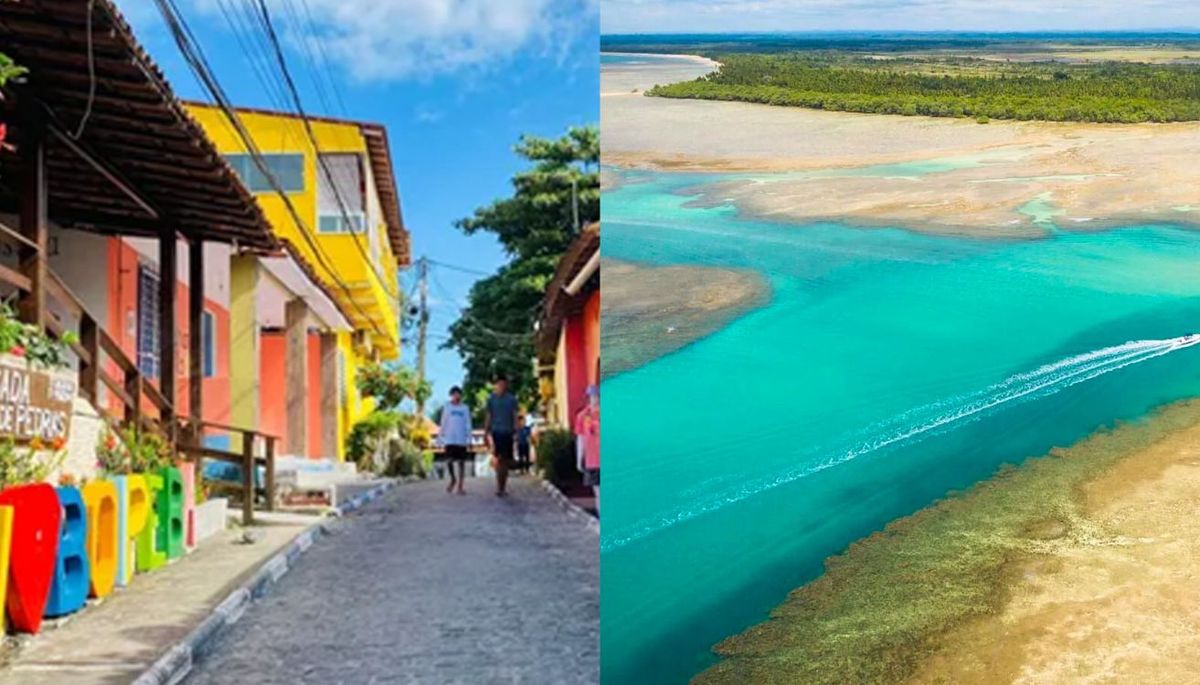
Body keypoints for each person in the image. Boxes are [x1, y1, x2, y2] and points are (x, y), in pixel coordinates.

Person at [484, 374, 519, 497]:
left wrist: (516, 431)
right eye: (499, 384)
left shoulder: (511, 399)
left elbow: (515, 416)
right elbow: (488, 416)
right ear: (495, 386)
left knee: (505, 461)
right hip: (496, 432)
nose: (501, 386)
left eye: (504, 384)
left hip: (508, 432)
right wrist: (485, 431)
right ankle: (500, 487)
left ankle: (502, 486)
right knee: (499, 459)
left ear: (506, 385)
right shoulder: (491, 399)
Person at [439, 386, 472, 495]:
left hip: (461, 439)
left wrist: (469, 439)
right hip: (449, 439)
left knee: (461, 463)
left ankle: (460, 486)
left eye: (458, 394)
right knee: (449, 461)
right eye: (454, 394)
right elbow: (443, 422)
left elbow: (468, 424)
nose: (456, 396)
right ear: (451, 395)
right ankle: (453, 479)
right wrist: (440, 438)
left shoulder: (465, 408)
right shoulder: (447, 407)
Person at [575, 384, 600, 513]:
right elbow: (581, 439)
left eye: (597, 396)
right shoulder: (582, 416)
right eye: (592, 396)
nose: (595, 399)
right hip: (592, 460)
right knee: (598, 491)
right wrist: (579, 459)